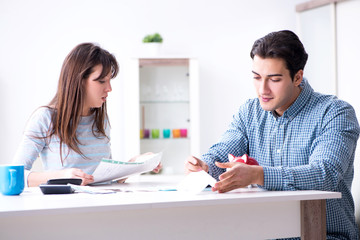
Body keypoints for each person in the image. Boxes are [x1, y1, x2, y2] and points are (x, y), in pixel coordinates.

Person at [185, 30, 359, 239]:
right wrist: (205, 165)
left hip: (323, 234)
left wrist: (259, 175)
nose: (262, 90)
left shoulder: (335, 112)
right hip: (265, 233)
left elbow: (324, 174)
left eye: (274, 79)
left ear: (298, 77)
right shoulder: (250, 112)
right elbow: (224, 150)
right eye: (257, 78)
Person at [13, 43, 161, 187]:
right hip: (66, 208)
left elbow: (103, 178)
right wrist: (61, 176)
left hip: (102, 205)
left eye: (109, 80)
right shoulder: (45, 118)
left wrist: (135, 164)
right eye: (102, 81)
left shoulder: (100, 119)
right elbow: (15, 175)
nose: (109, 88)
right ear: (78, 82)